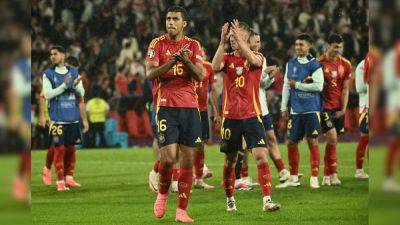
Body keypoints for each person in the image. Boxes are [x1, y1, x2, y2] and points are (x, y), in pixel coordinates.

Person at [212, 19, 281, 212]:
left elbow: (253, 60)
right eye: (231, 35)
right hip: (231, 118)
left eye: (237, 35)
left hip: (253, 116)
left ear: (247, 38)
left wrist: (242, 41)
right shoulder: (226, 57)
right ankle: (230, 199)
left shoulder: (257, 56)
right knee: (230, 161)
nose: (233, 38)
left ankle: (267, 200)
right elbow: (215, 67)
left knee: (261, 157)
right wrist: (221, 42)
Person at [145, 6, 204, 222]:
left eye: (175, 19)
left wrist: (185, 60)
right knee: (169, 157)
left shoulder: (193, 45)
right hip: (165, 106)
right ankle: (162, 194)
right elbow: (150, 73)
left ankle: (181, 210)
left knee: (187, 162)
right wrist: (172, 62)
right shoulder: (157, 44)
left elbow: (200, 75)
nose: (170, 22)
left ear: (184, 23)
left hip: (190, 107)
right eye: (168, 18)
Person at [235, 30, 290, 188]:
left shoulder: (261, 57)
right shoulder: (241, 58)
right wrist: (265, 74)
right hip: (247, 108)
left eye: (259, 42)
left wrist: (270, 76)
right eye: (255, 42)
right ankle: (242, 177)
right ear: (247, 42)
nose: (258, 45)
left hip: (261, 107)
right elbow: (249, 82)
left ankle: (282, 172)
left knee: (271, 138)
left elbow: (262, 85)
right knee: (244, 144)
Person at [277, 34, 324, 189]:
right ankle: (294, 177)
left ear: (309, 45)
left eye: (301, 44)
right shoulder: (290, 63)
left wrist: (297, 85)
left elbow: (319, 86)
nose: (298, 47)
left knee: (312, 141)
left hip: (311, 109)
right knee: (291, 142)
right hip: (296, 110)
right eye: (296, 44)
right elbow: (286, 86)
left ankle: (315, 177)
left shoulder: (315, 64)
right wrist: (284, 107)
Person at [42, 46, 88, 191]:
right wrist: (64, 86)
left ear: (63, 55)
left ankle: (69, 178)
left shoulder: (74, 72)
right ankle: (60, 182)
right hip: (57, 120)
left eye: (55, 54)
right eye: (51, 54)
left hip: (72, 119)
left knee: (71, 150)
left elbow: (81, 93)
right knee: (59, 149)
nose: (52, 56)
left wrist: (75, 86)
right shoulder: (48, 74)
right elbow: (47, 95)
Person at [318, 34, 351, 186]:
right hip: (324, 107)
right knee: (332, 138)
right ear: (328, 45)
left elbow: (345, 89)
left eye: (340, 47)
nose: (338, 50)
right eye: (335, 46)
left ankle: (327, 176)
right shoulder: (318, 63)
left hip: (338, 108)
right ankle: (332, 173)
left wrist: (343, 109)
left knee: (333, 142)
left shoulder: (346, 64)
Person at [193, 48, 218, 190]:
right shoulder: (188, 66)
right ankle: (173, 178)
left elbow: (212, 90)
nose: (199, 51)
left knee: (201, 144)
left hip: (202, 110)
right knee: (184, 146)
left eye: (201, 49)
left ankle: (199, 179)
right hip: (188, 110)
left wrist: (215, 110)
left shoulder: (209, 67)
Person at [354, 59, 369, 179]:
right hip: (366, 107)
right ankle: (359, 171)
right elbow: (359, 88)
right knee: (365, 137)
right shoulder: (362, 65)